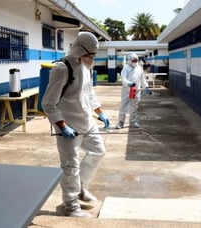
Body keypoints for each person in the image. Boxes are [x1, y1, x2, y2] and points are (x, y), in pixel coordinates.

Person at [41, 31, 110, 218]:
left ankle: (80, 188)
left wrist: (100, 112)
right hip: (68, 126)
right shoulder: (62, 69)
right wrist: (63, 126)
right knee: (70, 166)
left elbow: (89, 93)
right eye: (89, 55)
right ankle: (70, 206)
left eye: (93, 56)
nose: (91, 58)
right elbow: (48, 103)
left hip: (87, 122)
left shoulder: (86, 66)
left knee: (99, 151)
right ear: (80, 50)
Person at [116, 53, 150, 129]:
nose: (135, 62)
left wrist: (146, 86)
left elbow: (142, 79)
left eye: (136, 60)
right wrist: (128, 83)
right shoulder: (126, 68)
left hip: (136, 91)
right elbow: (123, 78)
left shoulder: (139, 68)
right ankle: (121, 122)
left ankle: (133, 122)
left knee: (134, 107)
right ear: (130, 60)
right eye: (133, 60)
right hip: (127, 91)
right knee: (123, 106)